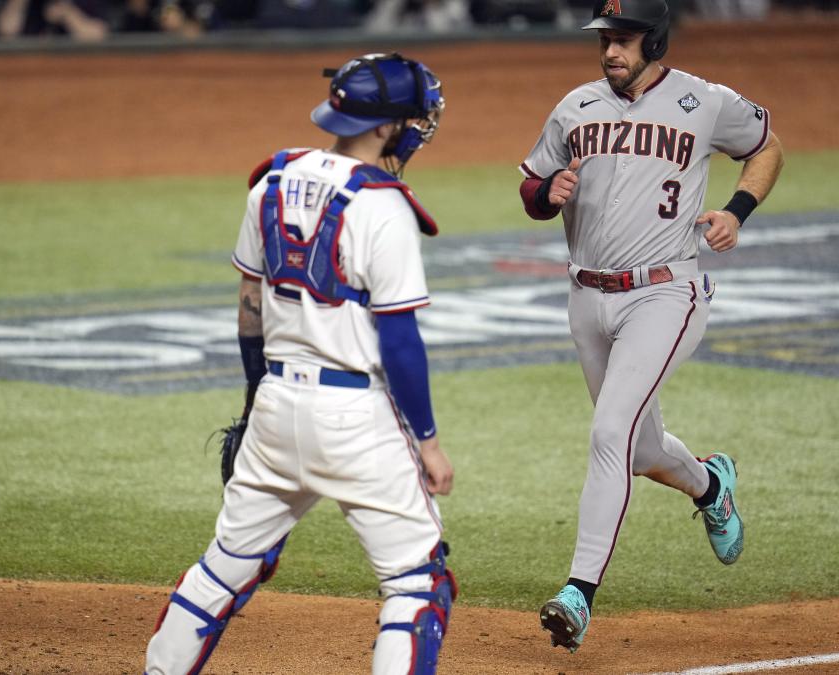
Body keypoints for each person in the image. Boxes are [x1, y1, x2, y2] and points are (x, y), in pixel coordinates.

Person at [144, 52, 457, 675]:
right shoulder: (384, 207)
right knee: (419, 584)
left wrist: (255, 401)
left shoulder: (271, 182)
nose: (418, 128)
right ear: (384, 127)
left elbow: (249, 309)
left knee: (225, 566)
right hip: (353, 419)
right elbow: (399, 341)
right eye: (411, 119)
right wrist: (427, 441)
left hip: (275, 408)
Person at [517, 0, 784, 654]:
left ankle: (578, 592)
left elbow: (767, 146)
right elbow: (530, 184)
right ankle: (711, 484)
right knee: (635, 450)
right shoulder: (575, 107)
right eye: (606, 39)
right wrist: (545, 195)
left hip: (667, 294)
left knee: (611, 429)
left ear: (655, 38)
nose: (611, 51)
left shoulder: (704, 101)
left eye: (624, 40)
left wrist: (738, 210)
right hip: (587, 297)